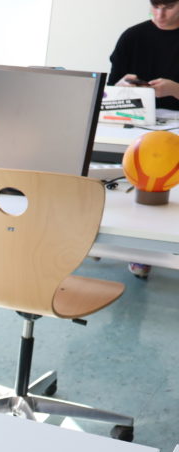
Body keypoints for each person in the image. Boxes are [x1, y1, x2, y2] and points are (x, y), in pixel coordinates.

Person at [109, 0, 179, 279]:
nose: (160, 14)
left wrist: (175, 89)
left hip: (175, 122)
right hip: (136, 120)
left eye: (169, 7)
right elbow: (111, 90)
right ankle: (137, 248)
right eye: (155, 6)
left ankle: (158, 244)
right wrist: (121, 87)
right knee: (137, 174)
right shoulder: (133, 36)